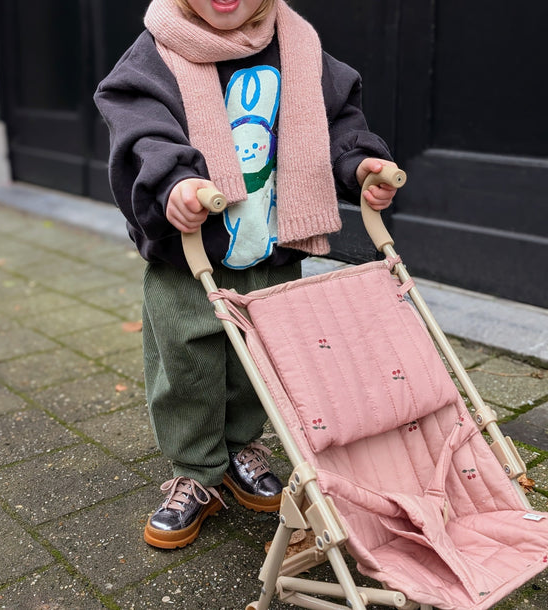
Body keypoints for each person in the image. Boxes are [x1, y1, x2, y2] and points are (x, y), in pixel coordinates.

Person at [94, 0, 397, 550]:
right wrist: (173, 185)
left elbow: (337, 123)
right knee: (189, 364)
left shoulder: (298, 48)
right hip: (192, 257)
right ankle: (196, 468)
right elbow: (142, 131)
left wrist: (360, 165)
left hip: (271, 245)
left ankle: (240, 445)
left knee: (261, 360)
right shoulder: (158, 52)